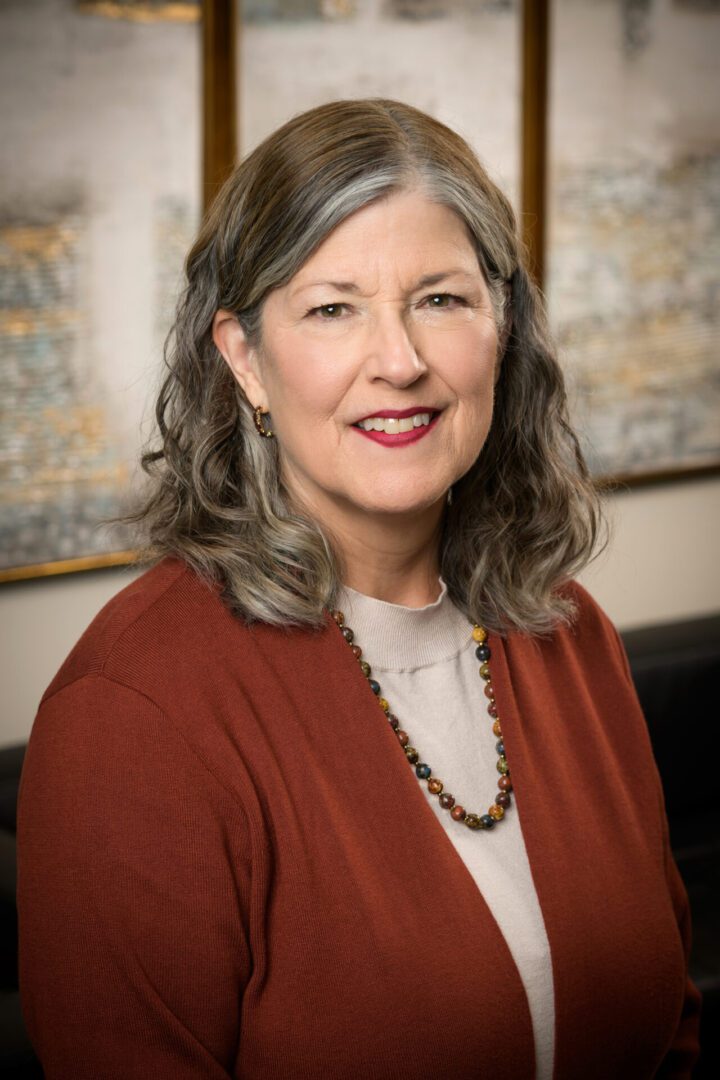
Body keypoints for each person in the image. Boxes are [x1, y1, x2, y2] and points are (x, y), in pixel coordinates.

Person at [17, 99, 699, 1079]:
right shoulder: (132, 716)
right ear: (245, 359)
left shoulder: (568, 630)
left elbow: (668, 1030)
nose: (400, 362)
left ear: (503, 326)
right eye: (333, 308)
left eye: (441, 300)